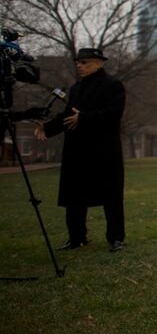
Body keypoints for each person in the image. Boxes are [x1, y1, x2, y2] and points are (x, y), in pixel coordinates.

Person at [34, 48, 126, 253]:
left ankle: (116, 238)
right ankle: (76, 237)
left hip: (103, 151)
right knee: (74, 196)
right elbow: (68, 115)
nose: (79, 66)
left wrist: (84, 118)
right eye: (78, 62)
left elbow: (114, 113)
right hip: (77, 150)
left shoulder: (113, 86)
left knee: (111, 196)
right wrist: (48, 128)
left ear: (99, 63)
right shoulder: (76, 89)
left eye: (84, 62)